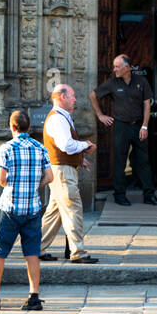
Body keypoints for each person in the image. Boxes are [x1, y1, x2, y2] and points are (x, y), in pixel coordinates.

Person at [0, 110, 52, 312]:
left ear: (12, 127)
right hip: (32, 208)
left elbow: (1, 178)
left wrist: (11, 184)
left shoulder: (6, 148)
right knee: (32, 253)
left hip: (9, 207)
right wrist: (35, 186)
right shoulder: (40, 147)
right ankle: (34, 296)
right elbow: (49, 176)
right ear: (29, 127)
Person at [90, 55, 157, 207]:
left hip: (138, 126)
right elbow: (93, 95)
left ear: (127, 67)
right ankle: (119, 195)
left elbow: (147, 105)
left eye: (117, 66)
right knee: (119, 161)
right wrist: (100, 115)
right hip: (121, 126)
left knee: (143, 161)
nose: (114, 69)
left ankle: (149, 195)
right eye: (114, 66)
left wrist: (144, 126)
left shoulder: (141, 81)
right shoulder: (112, 83)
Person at [40, 84, 98, 264]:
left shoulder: (62, 118)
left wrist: (79, 159)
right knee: (73, 209)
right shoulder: (57, 119)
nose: (75, 99)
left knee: (54, 213)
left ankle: (35, 247)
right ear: (62, 97)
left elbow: (64, 146)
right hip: (63, 172)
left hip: (62, 169)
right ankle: (77, 252)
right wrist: (85, 145)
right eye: (72, 96)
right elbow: (66, 145)